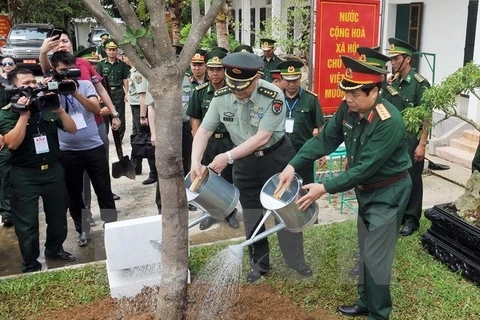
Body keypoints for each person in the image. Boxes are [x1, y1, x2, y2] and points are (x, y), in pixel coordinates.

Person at [275, 55, 412, 319]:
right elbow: (325, 139)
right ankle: (365, 302)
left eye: (354, 94)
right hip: (367, 191)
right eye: (345, 92)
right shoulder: (348, 108)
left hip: (389, 192)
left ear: (374, 91)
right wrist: (293, 165)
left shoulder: (389, 122)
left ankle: (378, 315)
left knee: (376, 257)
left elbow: (363, 169)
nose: (348, 99)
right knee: (365, 249)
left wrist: (324, 188)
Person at [190, 52, 312, 283]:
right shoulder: (221, 96)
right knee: (252, 212)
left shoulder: (273, 95)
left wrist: (227, 156)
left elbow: (263, 137)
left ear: (256, 79)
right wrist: (195, 160)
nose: (237, 91)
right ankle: (259, 265)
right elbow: (204, 131)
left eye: (243, 87)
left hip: (275, 158)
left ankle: (296, 261)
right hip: (244, 164)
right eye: (233, 86)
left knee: (284, 210)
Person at [0, 68, 78, 272]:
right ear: (13, 88)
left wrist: (60, 110)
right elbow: (12, 143)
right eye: (26, 83)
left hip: (52, 170)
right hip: (24, 174)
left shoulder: (46, 106)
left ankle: (54, 249)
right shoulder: (7, 112)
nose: (32, 87)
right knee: (27, 224)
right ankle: (31, 262)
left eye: (34, 82)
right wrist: (24, 116)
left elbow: (72, 129)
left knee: (58, 215)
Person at [50, 51, 118, 247]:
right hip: (68, 151)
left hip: (93, 147)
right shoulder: (53, 89)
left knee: (103, 189)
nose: (66, 75)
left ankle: (111, 226)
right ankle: (83, 229)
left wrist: (75, 93)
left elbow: (96, 109)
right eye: (62, 71)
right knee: (75, 193)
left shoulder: (86, 85)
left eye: (70, 70)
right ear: (54, 70)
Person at [186, 50, 239, 230]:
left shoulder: (232, 92)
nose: (214, 74)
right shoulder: (200, 92)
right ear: (207, 71)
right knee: (207, 179)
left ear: (224, 71)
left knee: (228, 179)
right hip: (208, 143)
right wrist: (197, 144)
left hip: (229, 141)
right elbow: (195, 120)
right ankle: (209, 213)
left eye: (218, 69)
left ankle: (230, 213)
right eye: (211, 70)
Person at [388, 38, 431, 237]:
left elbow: (426, 116)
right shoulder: (393, 82)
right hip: (395, 140)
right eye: (391, 59)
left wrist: (422, 144)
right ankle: (398, 215)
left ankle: (411, 220)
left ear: (407, 59)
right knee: (396, 178)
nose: (392, 62)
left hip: (412, 139)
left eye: (396, 58)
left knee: (412, 178)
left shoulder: (419, 84)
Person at [277, 60, 325, 184]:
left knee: (305, 186)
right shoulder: (276, 99)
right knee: (282, 186)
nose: (292, 84)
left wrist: (321, 152)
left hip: (304, 152)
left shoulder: (311, 99)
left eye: (295, 80)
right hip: (280, 153)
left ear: (300, 78)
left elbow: (320, 126)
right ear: (281, 79)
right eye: (288, 81)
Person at [182, 49, 208, 212]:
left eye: (200, 65)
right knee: (191, 164)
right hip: (188, 128)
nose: (197, 68)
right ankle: (191, 196)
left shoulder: (213, 81)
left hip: (208, 130)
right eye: (194, 65)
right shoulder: (185, 81)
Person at [125, 54, 157, 184]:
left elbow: (143, 96)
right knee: (138, 140)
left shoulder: (139, 73)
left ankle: (153, 172)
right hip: (136, 109)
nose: (124, 57)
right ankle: (136, 166)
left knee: (147, 142)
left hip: (141, 110)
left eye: (125, 55)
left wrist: (143, 116)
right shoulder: (133, 70)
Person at [96, 39, 130, 141]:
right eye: (110, 50)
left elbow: (125, 79)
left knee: (119, 114)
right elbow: (98, 80)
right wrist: (98, 95)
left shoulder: (122, 64)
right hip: (105, 92)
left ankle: (119, 137)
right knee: (105, 115)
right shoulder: (101, 64)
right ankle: (104, 136)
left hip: (118, 92)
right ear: (105, 50)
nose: (112, 52)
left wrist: (126, 93)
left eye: (114, 50)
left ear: (117, 51)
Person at [0, 56, 16, 227]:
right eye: (4, 64)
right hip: (3, 130)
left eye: (10, 63)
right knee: (4, 171)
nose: (7, 66)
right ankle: (6, 210)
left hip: (19, 127)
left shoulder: (22, 81)